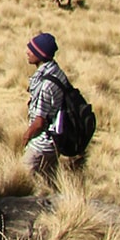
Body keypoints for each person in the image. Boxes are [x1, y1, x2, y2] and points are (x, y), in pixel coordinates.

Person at [18, 32, 72, 186]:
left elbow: (40, 121)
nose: (27, 52)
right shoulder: (56, 72)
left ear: (41, 55)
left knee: (23, 178)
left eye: (32, 50)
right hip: (55, 140)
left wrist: (26, 136)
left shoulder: (46, 84)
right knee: (49, 183)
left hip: (42, 144)